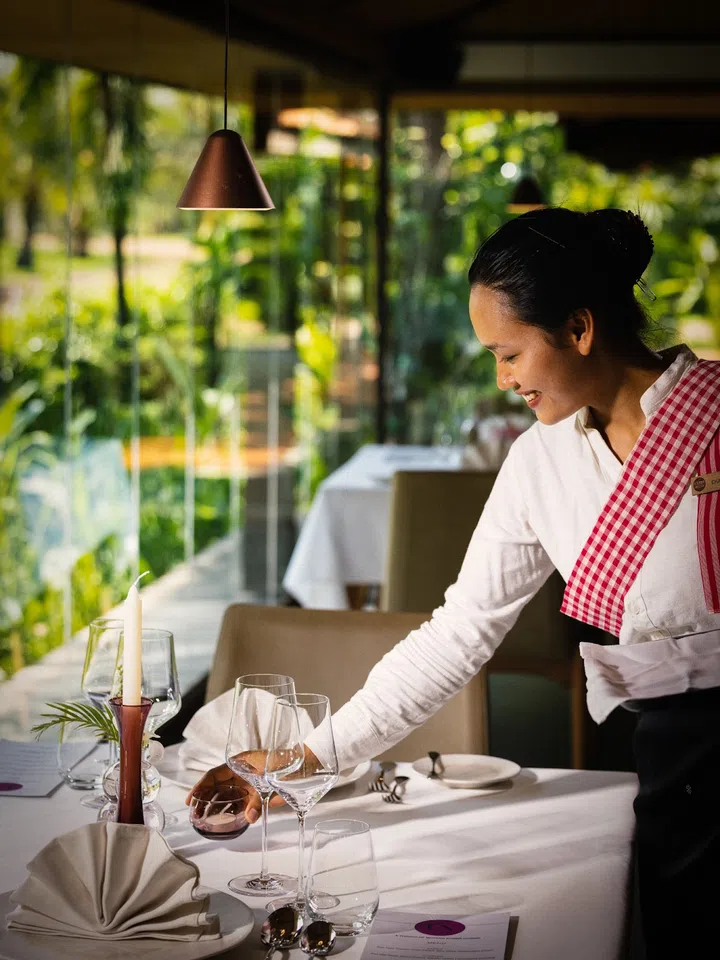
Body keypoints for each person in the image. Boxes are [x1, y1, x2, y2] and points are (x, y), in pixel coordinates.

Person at [189, 207, 720, 958]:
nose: (501, 380)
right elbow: (459, 630)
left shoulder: (715, 413)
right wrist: (310, 757)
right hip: (668, 747)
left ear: (578, 329)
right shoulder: (542, 461)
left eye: (508, 354)